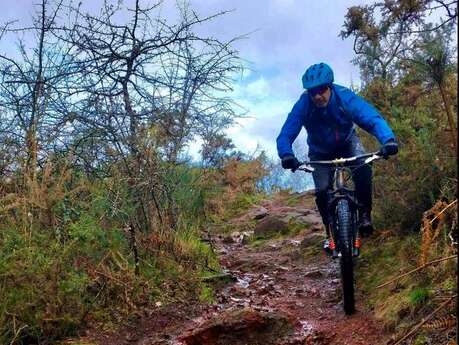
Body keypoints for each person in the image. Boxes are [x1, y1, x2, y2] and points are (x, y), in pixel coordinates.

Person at [276, 62, 398, 253]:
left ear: (330, 87)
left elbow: (371, 118)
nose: (317, 95)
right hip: (320, 151)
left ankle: (365, 214)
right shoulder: (303, 104)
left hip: (348, 142)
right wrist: (286, 154)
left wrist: (388, 140)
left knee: (363, 167)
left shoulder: (344, 97)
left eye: (322, 90)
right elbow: (286, 133)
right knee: (323, 190)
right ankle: (329, 232)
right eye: (312, 92)